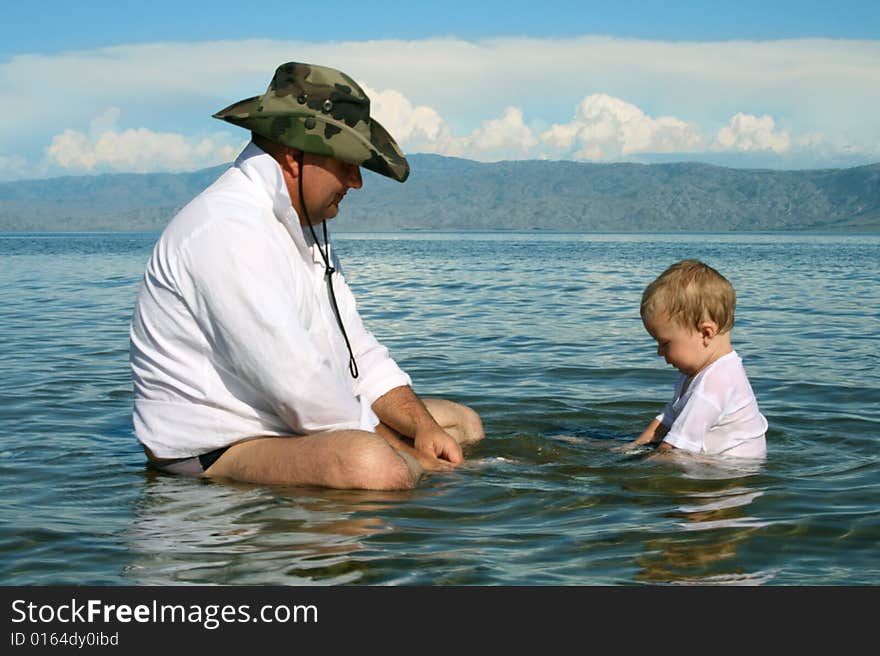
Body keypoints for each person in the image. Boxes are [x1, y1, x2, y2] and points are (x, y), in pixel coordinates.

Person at [129, 62, 484, 490]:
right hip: (219, 446)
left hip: (287, 422)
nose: (356, 182)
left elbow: (359, 353)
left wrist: (423, 429)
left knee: (460, 425)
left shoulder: (304, 230)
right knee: (374, 466)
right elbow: (301, 389)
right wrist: (410, 456)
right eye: (347, 164)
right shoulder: (226, 231)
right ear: (296, 158)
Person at [626, 259, 767, 458]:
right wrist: (631, 447)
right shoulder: (697, 371)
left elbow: (675, 450)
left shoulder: (715, 382)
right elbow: (668, 419)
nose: (659, 352)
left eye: (665, 343)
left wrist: (626, 471)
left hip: (727, 475)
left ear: (706, 333)